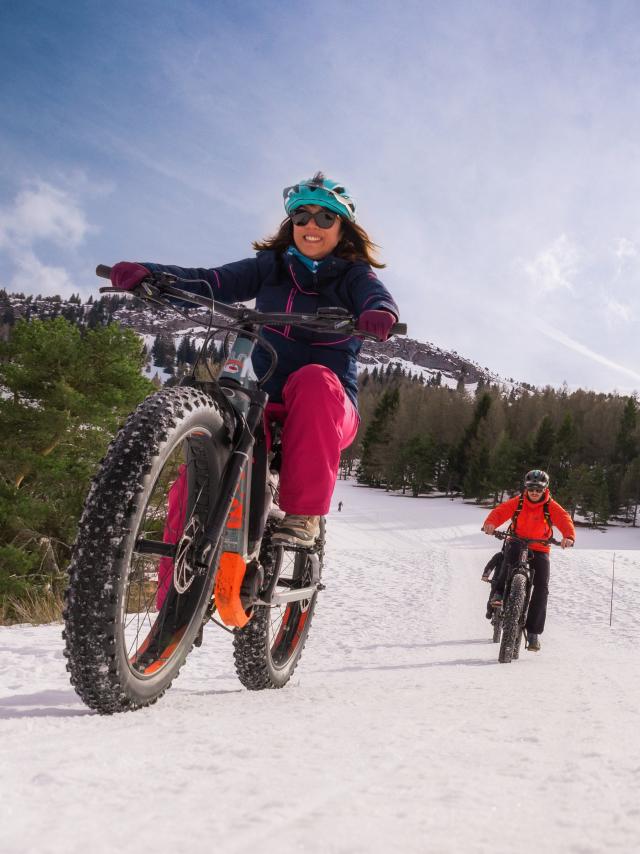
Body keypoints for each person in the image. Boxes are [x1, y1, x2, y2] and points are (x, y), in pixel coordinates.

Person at [109, 172, 400, 547]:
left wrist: (379, 312)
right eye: (302, 216)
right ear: (291, 223)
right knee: (201, 467)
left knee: (314, 379)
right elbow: (212, 280)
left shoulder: (353, 275)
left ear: (342, 228)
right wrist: (154, 275)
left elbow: (375, 296)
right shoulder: (270, 267)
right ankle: (174, 594)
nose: (312, 225)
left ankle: (302, 515)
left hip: (328, 409)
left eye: (325, 217)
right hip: (263, 402)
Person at [481, 469, 575, 651]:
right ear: (526, 488)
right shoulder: (518, 502)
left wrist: (568, 536)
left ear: (545, 489)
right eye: (531, 488)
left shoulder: (550, 506)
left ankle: (533, 633)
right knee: (507, 563)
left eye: (538, 489)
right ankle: (499, 594)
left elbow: (564, 519)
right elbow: (501, 511)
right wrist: (490, 523)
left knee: (542, 587)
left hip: (540, 547)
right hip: (517, 541)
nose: (534, 492)